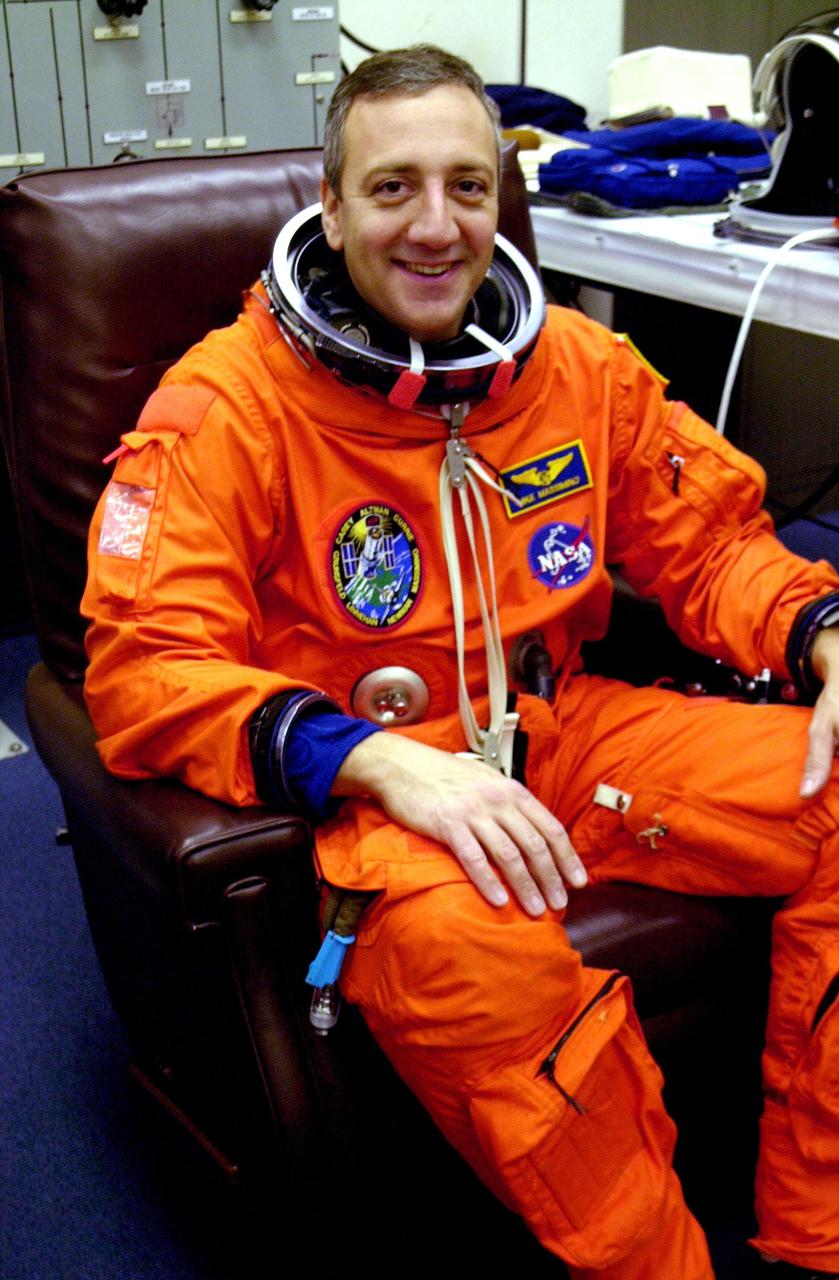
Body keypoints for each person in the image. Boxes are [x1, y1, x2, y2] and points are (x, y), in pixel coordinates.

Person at [81, 43, 839, 1280]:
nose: (435, 226)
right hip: (373, 796)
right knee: (474, 964)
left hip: (556, 728)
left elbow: (711, 545)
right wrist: (377, 761)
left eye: (467, 187)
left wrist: (818, 632)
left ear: (498, 194)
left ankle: (815, 1233)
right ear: (327, 207)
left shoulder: (576, 373)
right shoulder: (228, 410)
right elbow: (144, 666)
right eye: (391, 189)